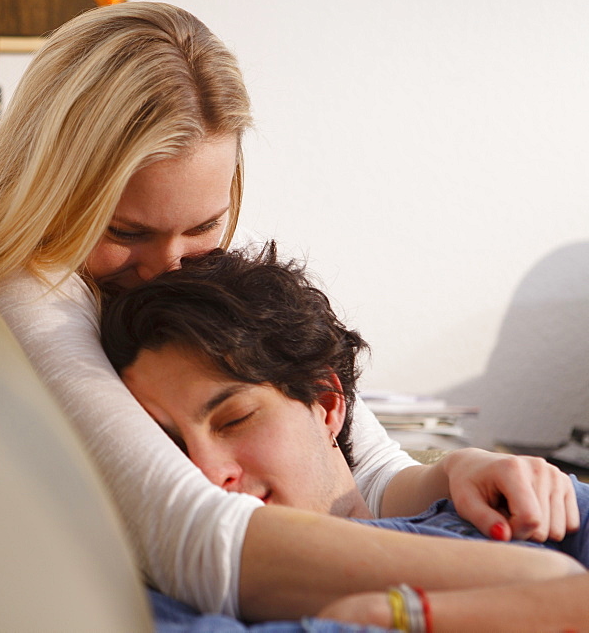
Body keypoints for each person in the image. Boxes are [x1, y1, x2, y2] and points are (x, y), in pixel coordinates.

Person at [0, 1, 580, 621]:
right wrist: (539, 583)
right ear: (54, 191)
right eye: (127, 232)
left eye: (203, 225)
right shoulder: (34, 293)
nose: (170, 266)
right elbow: (195, 537)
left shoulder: (172, 293)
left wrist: (462, 468)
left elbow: (366, 465)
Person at [99, 245, 588, 629]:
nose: (206, 472)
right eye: (173, 448)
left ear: (327, 403)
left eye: (234, 420)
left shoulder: (505, 507)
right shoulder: (169, 603)